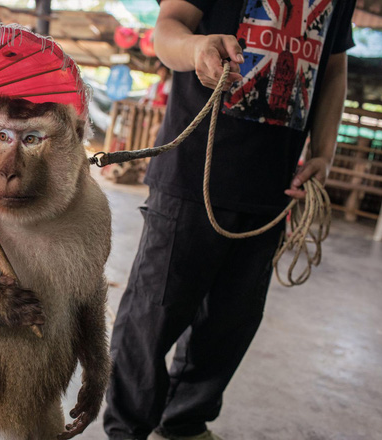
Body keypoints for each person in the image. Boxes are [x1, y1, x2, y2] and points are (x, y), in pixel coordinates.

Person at [103, 1, 356, 439]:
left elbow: (333, 69)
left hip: (274, 187)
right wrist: (197, 46)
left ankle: (183, 423)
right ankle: (126, 429)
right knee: (153, 315)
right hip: (193, 173)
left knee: (230, 323)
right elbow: (167, 30)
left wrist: (323, 152)